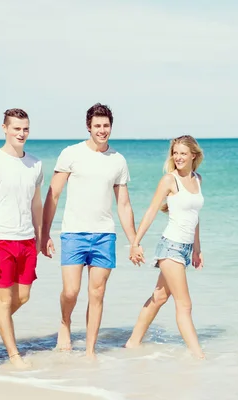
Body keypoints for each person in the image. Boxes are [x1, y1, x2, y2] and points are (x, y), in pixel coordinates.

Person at [41, 103, 142, 359]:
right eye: (97, 125)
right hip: (74, 233)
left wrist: (134, 241)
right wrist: (44, 233)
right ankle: (65, 323)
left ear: (111, 127)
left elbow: (124, 204)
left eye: (106, 125)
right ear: (89, 127)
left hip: (104, 235)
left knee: (97, 293)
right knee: (71, 291)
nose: (102, 130)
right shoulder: (71, 154)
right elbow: (53, 195)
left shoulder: (118, 160)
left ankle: (90, 350)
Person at [0, 109, 43, 369]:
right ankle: (13, 355)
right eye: (16, 129)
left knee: (22, 297)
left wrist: (41, 235)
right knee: (3, 300)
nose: (21, 133)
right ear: (4, 128)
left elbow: (37, 203)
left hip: (26, 239)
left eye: (25, 129)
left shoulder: (35, 163)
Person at [125, 135, 206, 359]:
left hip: (185, 249)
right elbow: (151, 211)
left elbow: (195, 217)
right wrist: (135, 242)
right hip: (170, 247)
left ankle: (133, 343)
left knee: (159, 297)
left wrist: (197, 250)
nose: (178, 157)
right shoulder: (169, 180)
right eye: (175, 153)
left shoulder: (198, 179)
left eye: (182, 153)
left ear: (193, 155)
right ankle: (198, 356)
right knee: (185, 304)